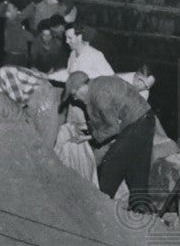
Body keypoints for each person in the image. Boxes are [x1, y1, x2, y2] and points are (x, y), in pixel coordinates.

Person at [63, 70, 157, 212]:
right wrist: (88, 131)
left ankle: (99, 210)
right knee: (137, 172)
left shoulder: (99, 95)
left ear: (81, 87)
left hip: (137, 123)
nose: (75, 99)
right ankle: (142, 212)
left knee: (110, 166)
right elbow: (105, 118)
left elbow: (113, 128)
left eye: (74, 94)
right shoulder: (98, 85)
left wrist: (92, 136)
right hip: (146, 119)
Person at [0, 0, 34, 66]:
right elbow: (29, 37)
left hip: (15, 57)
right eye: (14, 8)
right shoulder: (12, 26)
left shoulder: (13, 20)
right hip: (15, 59)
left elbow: (23, 14)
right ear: (8, 13)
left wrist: (32, 5)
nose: (16, 8)